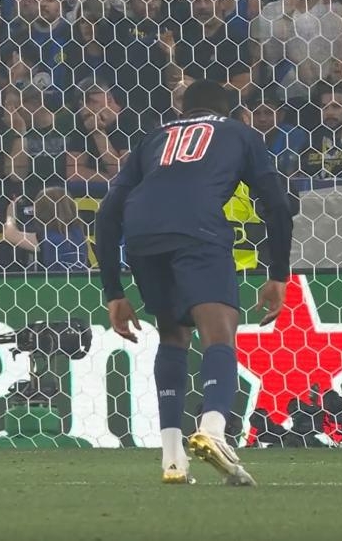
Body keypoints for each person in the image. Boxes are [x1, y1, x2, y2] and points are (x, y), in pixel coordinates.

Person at [95, 80, 294, 486]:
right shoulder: (240, 133)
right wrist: (278, 274)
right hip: (198, 229)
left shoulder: (154, 137)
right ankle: (214, 430)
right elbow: (277, 204)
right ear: (230, 111)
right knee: (218, 333)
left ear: (183, 110)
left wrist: (113, 292)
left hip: (142, 234)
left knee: (173, 335)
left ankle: (172, 458)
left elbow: (107, 212)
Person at [2, 188, 89, 272]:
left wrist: (10, 215)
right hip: (80, 280)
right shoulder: (77, 232)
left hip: (57, 281)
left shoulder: (49, 237)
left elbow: (10, 235)